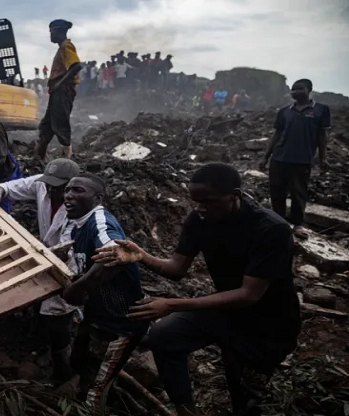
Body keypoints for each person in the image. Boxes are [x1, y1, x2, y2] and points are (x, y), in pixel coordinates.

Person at [92, 163, 301, 416]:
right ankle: (186, 410)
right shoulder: (200, 219)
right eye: (195, 201)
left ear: (234, 195)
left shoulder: (271, 229)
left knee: (245, 398)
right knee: (164, 336)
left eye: (207, 201)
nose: (199, 208)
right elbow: (177, 269)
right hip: (225, 310)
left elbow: (249, 295)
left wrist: (173, 305)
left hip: (268, 325)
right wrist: (142, 255)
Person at [0, 158, 81, 383]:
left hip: (68, 264)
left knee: (60, 314)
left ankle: (63, 366)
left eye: (59, 186)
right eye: (50, 184)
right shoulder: (43, 185)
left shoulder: (81, 207)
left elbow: (70, 247)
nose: (52, 189)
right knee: (40, 302)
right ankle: (38, 339)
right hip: (45, 255)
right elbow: (13, 186)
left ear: (72, 185)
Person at [59, 174, 148, 413]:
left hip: (121, 324)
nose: (68, 195)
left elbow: (116, 254)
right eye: (67, 189)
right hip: (98, 316)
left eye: (77, 190)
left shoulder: (100, 221)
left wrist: (77, 289)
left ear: (97, 198)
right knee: (80, 364)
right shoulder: (79, 225)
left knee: (95, 391)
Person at [259, 79, 331, 239]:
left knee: (299, 192)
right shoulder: (285, 111)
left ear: (309, 90)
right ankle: (278, 222)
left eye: (299, 89)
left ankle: (298, 224)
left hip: (302, 159)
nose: (295, 92)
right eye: (293, 89)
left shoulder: (320, 110)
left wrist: (322, 158)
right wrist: (265, 157)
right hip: (279, 158)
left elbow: (322, 135)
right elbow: (276, 135)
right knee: (277, 191)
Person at [35, 19, 82, 161]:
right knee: (46, 126)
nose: (50, 35)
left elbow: (76, 66)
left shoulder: (66, 46)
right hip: (58, 91)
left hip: (63, 91)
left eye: (52, 32)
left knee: (60, 124)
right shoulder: (62, 48)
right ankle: (38, 158)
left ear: (59, 31)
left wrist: (60, 83)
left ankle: (66, 159)